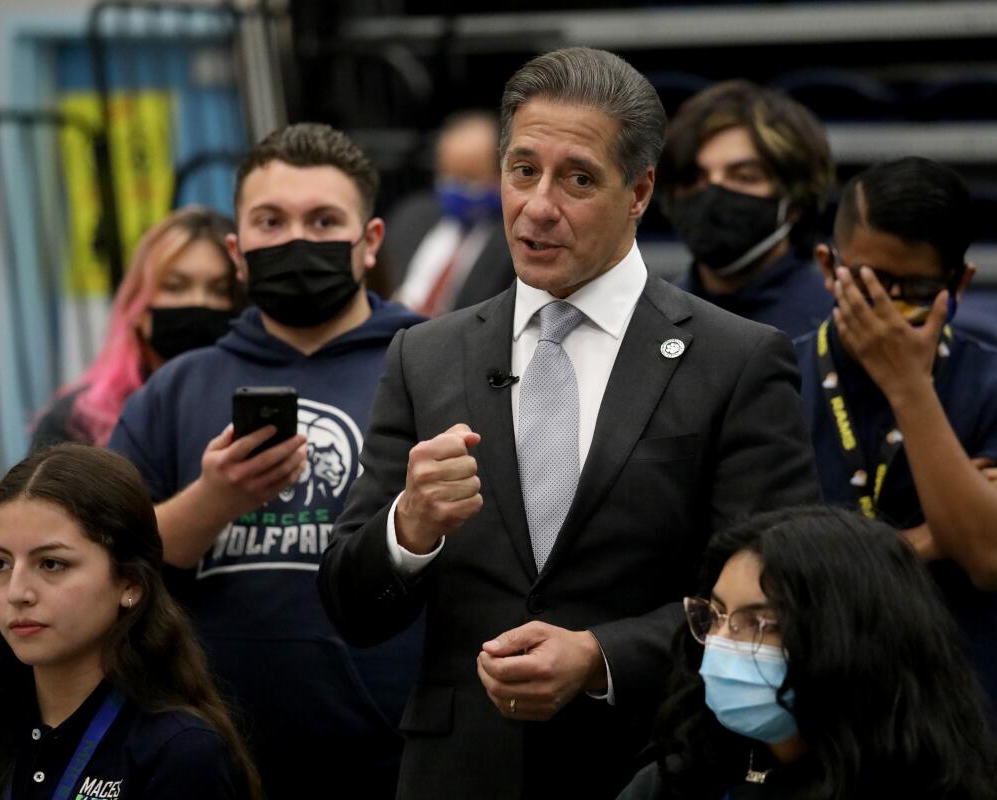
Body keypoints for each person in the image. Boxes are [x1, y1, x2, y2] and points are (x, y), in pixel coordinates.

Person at [319, 47, 821, 800]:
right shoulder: (425, 355)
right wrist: (410, 527)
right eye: (523, 171)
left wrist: (601, 656)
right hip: (458, 773)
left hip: (649, 765)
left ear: (640, 190)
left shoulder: (738, 361)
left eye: (578, 178)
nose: (539, 205)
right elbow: (350, 608)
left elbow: (781, 599)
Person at [108, 124, 425, 798]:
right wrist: (212, 500)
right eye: (270, 220)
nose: (296, 239)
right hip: (211, 761)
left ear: (369, 243)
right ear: (238, 251)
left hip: (400, 760)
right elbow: (105, 567)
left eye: (323, 220)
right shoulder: (175, 389)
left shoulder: (436, 365)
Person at [793, 156, 997, 763]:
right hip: (809, 730)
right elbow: (754, 569)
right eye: (867, 283)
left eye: (912, 291)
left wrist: (908, 387)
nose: (887, 309)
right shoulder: (771, 377)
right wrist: (928, 540)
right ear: (827, 267)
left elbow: (992, 556)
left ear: (958, 285)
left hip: (966, 737)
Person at [0, 444, 258, 800]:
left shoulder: (180, 752)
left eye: (51, 564)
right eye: (0, 563)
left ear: (130, 583)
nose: (17, 592)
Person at [619, 506, 997, 800]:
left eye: (762, 625)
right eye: (719, 614)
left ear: (853, 643)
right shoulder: (677, 780)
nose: (722, 642)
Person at [30, 207, 245, 451]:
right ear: (138, 306)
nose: (198, 302)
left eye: (219, 290)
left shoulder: (251, 409)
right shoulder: (77, 421)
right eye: (175, 287)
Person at [655, 80, 835, 339]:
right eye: (693, 179)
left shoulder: (837, 323)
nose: (712, 194)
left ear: (795, 202)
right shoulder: (649, 319)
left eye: (744, 177)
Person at [383, 110, 516, 316]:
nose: (455, 187)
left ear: (502, 173)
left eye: (469, 177)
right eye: (446, 174)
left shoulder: (514, 243)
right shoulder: (411, 214)